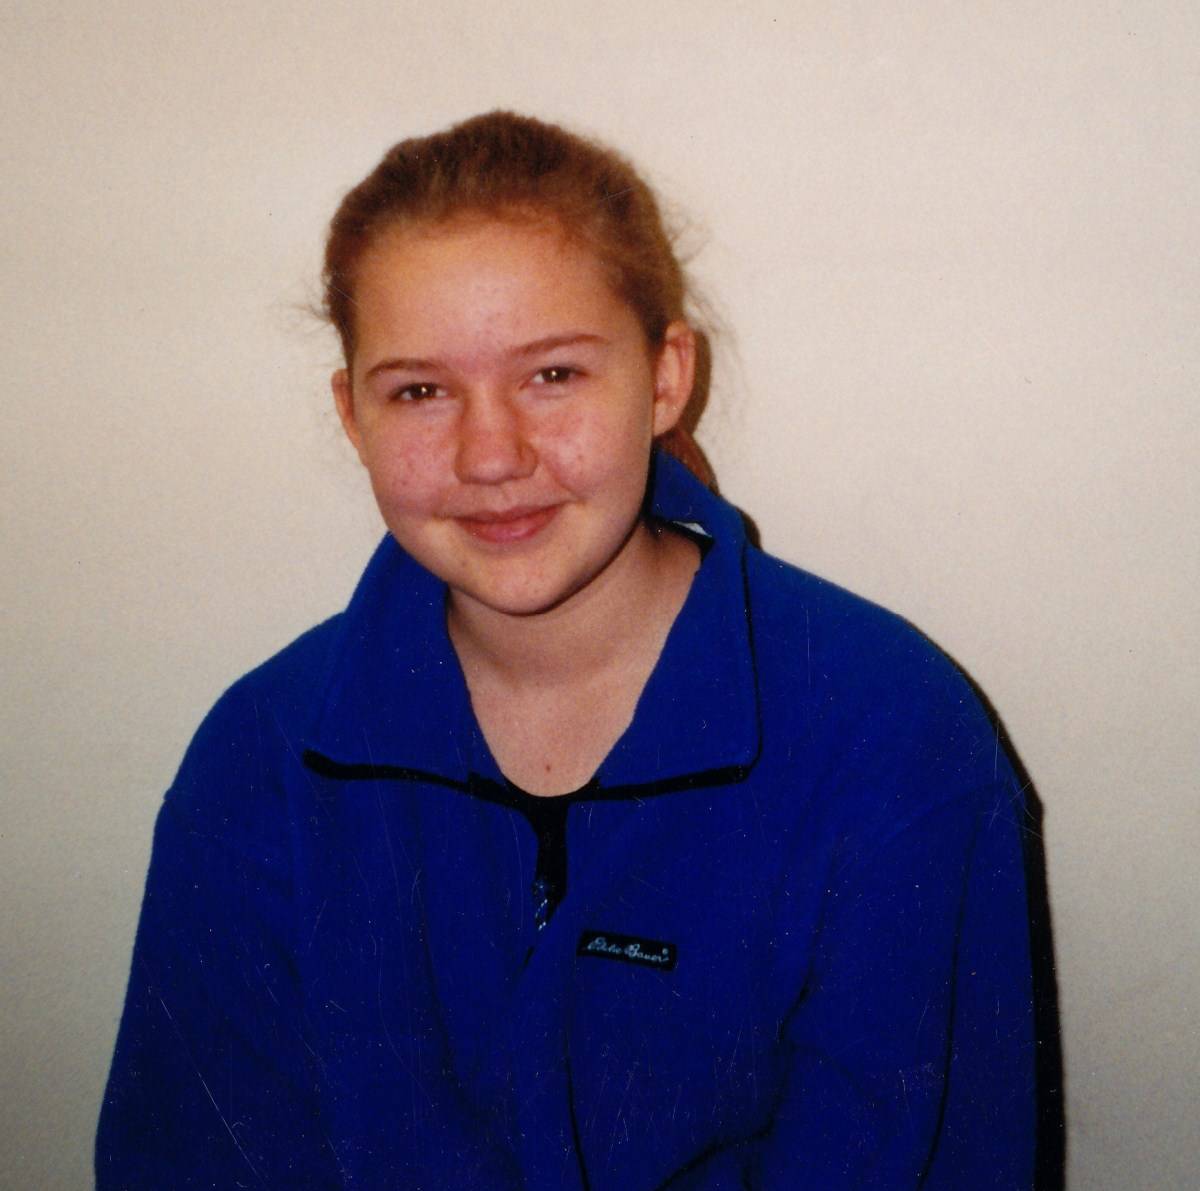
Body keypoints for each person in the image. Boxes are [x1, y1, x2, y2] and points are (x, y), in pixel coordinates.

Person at [96, 111, 1036, 1189]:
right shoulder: (263, 759)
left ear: (666, 377)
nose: (491, 454)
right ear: (352, 416)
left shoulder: (892, 738)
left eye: (552, 375)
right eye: (419, 391)